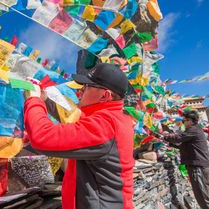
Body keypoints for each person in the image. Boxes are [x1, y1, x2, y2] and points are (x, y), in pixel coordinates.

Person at [24, 63, 135, 209]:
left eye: (86, 87)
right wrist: (45, 99)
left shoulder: (106, 125)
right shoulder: (114, 117)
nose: (80, 92)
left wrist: (33, 100)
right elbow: (73, 117)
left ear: (105, 95)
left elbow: (42, 136)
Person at [162, 110, 209, 209]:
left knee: (202, 196)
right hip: (199, 166)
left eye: (184, 121)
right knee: (203, 194)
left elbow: (178, 137)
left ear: (191, 121)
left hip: (198, 167)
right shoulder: (195, 131)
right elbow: (183, 145)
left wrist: (166, 136)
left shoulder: (193, 130)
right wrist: (167, 141)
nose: (183, 123)